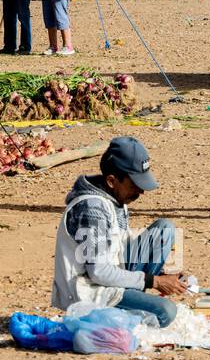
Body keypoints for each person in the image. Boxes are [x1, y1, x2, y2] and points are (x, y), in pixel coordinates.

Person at [52, 137, 190, 328]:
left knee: (164, 228)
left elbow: (118, 246)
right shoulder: (91, 210)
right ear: (111, 180)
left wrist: (165, 272)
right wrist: (154, 281)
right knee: (166, 312)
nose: (141, 191)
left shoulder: (116, 198)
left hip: (112, 274)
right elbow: (98, 273)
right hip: (91, 292)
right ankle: (115, 317)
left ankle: (132, 304)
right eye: (135, 184)